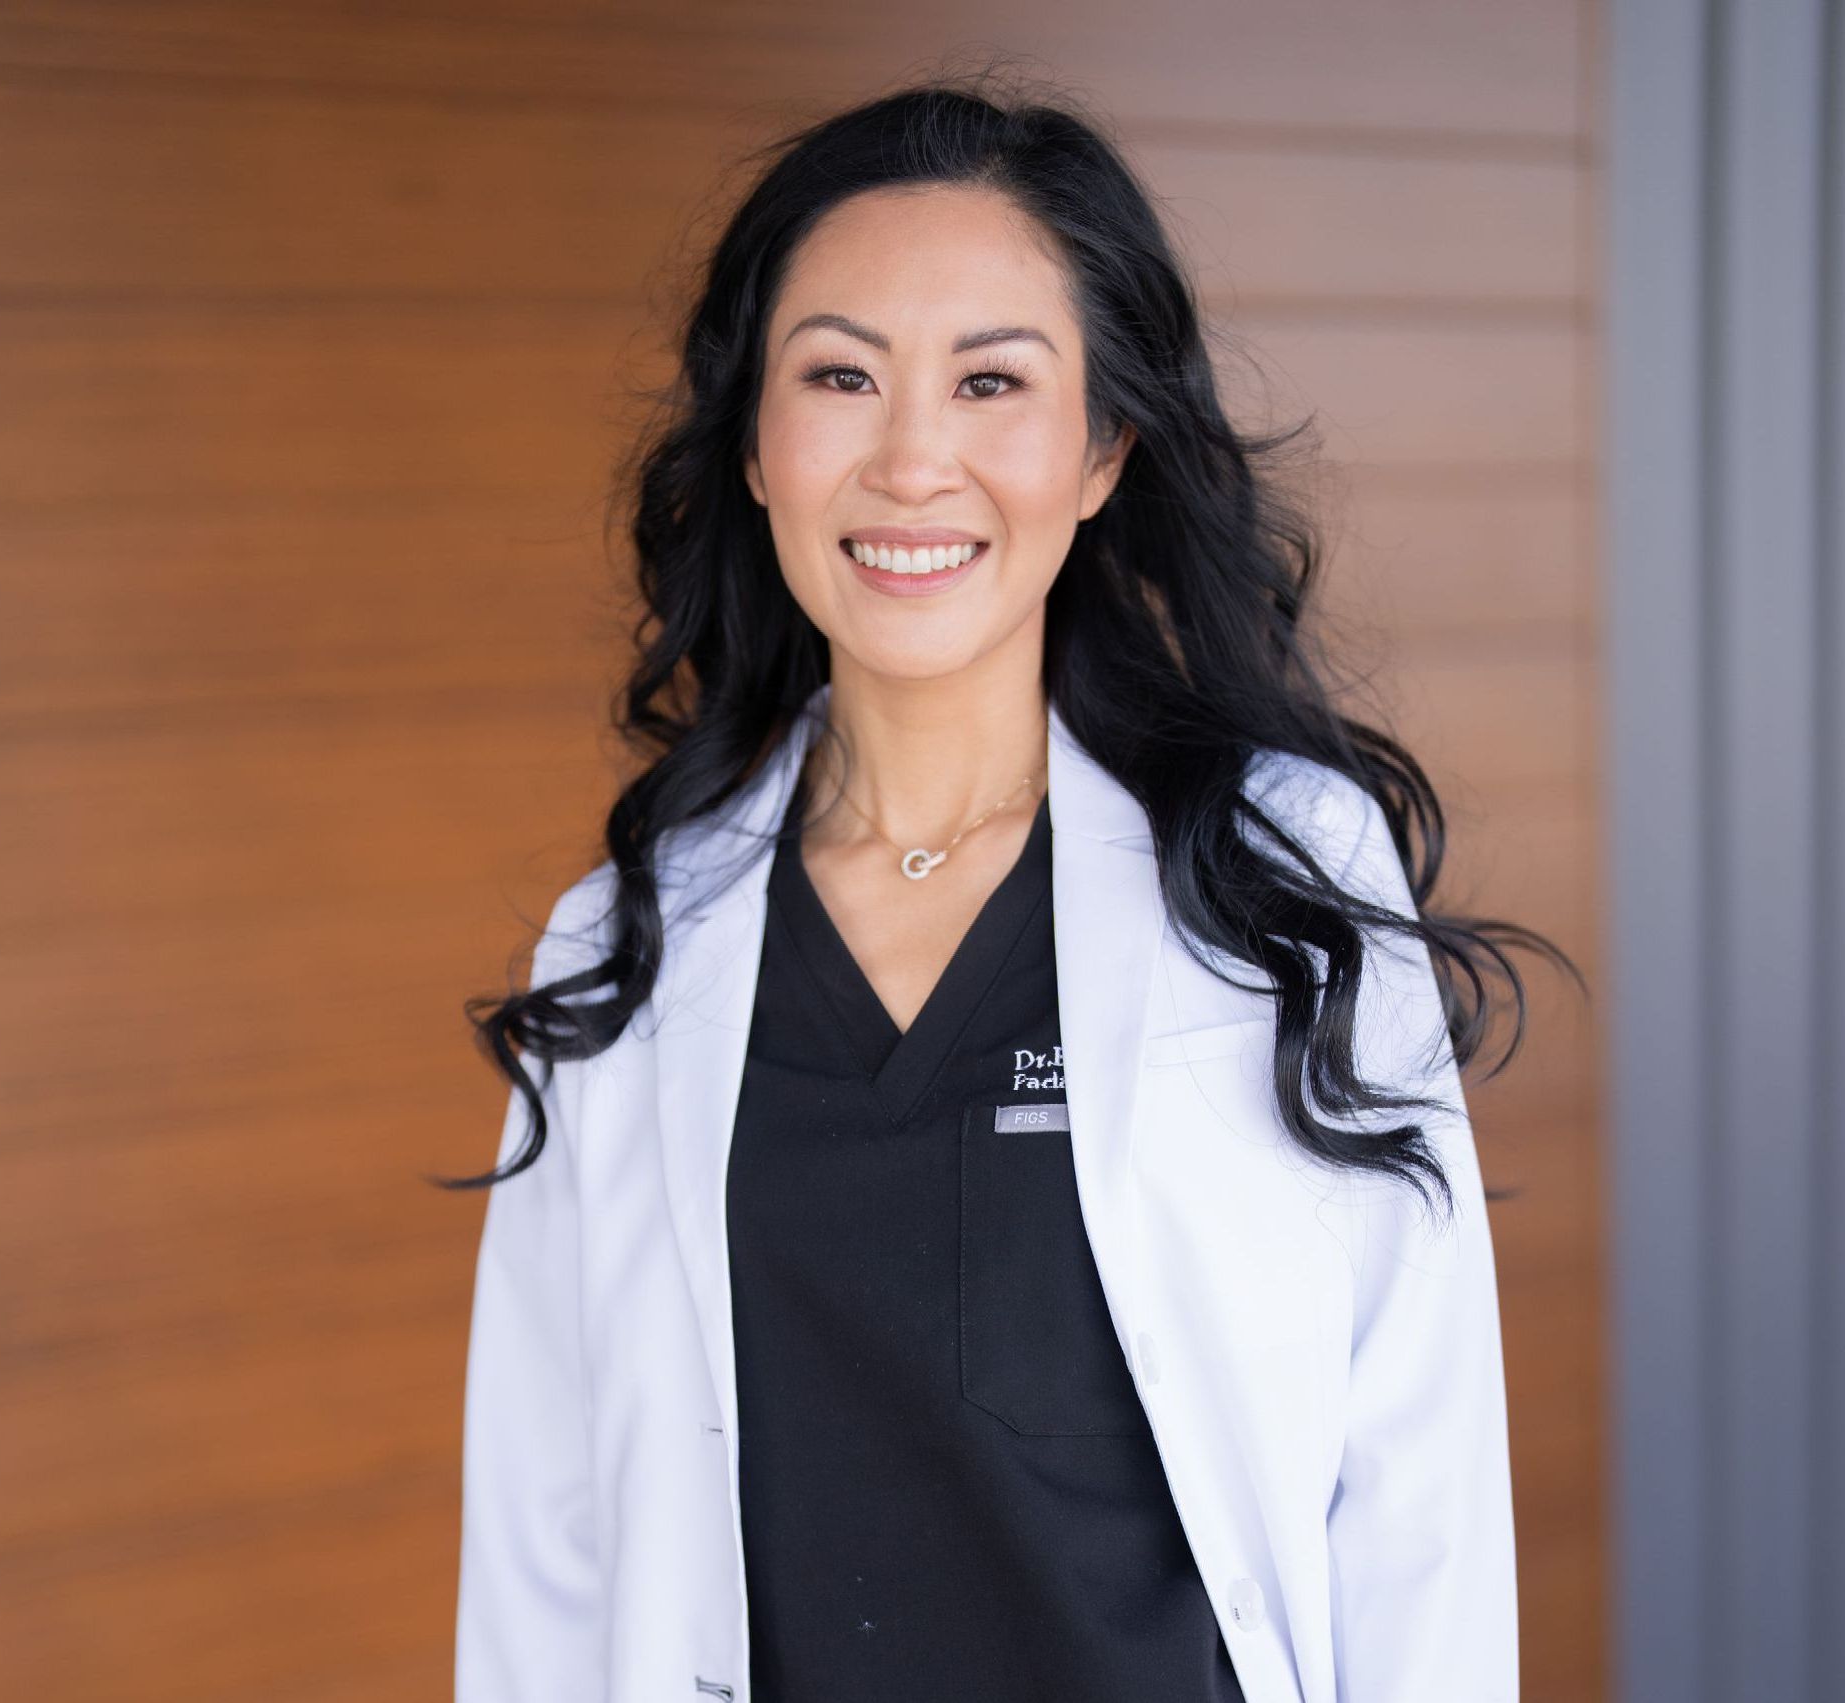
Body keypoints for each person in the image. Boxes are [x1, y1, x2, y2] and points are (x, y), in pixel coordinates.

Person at [444, 66, 1580, 1703]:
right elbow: (544, 1544)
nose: (912, 462)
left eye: (992, 383)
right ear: (757, 445)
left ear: (1105, 445)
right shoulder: (631, 943)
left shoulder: (1280, 881)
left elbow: (1418, 1495)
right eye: (840, 376)